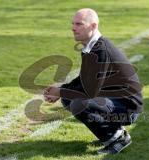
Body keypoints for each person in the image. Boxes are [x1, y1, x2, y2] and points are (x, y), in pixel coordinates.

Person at [43, 8, 143, 154]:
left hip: (128, 108)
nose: (73, 28)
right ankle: (111, 131)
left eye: (79, 24)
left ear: (93, 26)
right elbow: (84, 79)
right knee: (69, 98)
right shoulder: (92, 46)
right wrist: (61, 90)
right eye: (73, 24)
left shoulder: (100, 50)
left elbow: (90, 90)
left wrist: (61, 91)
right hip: (115, 101)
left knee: (79, 103)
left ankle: (117, 138)